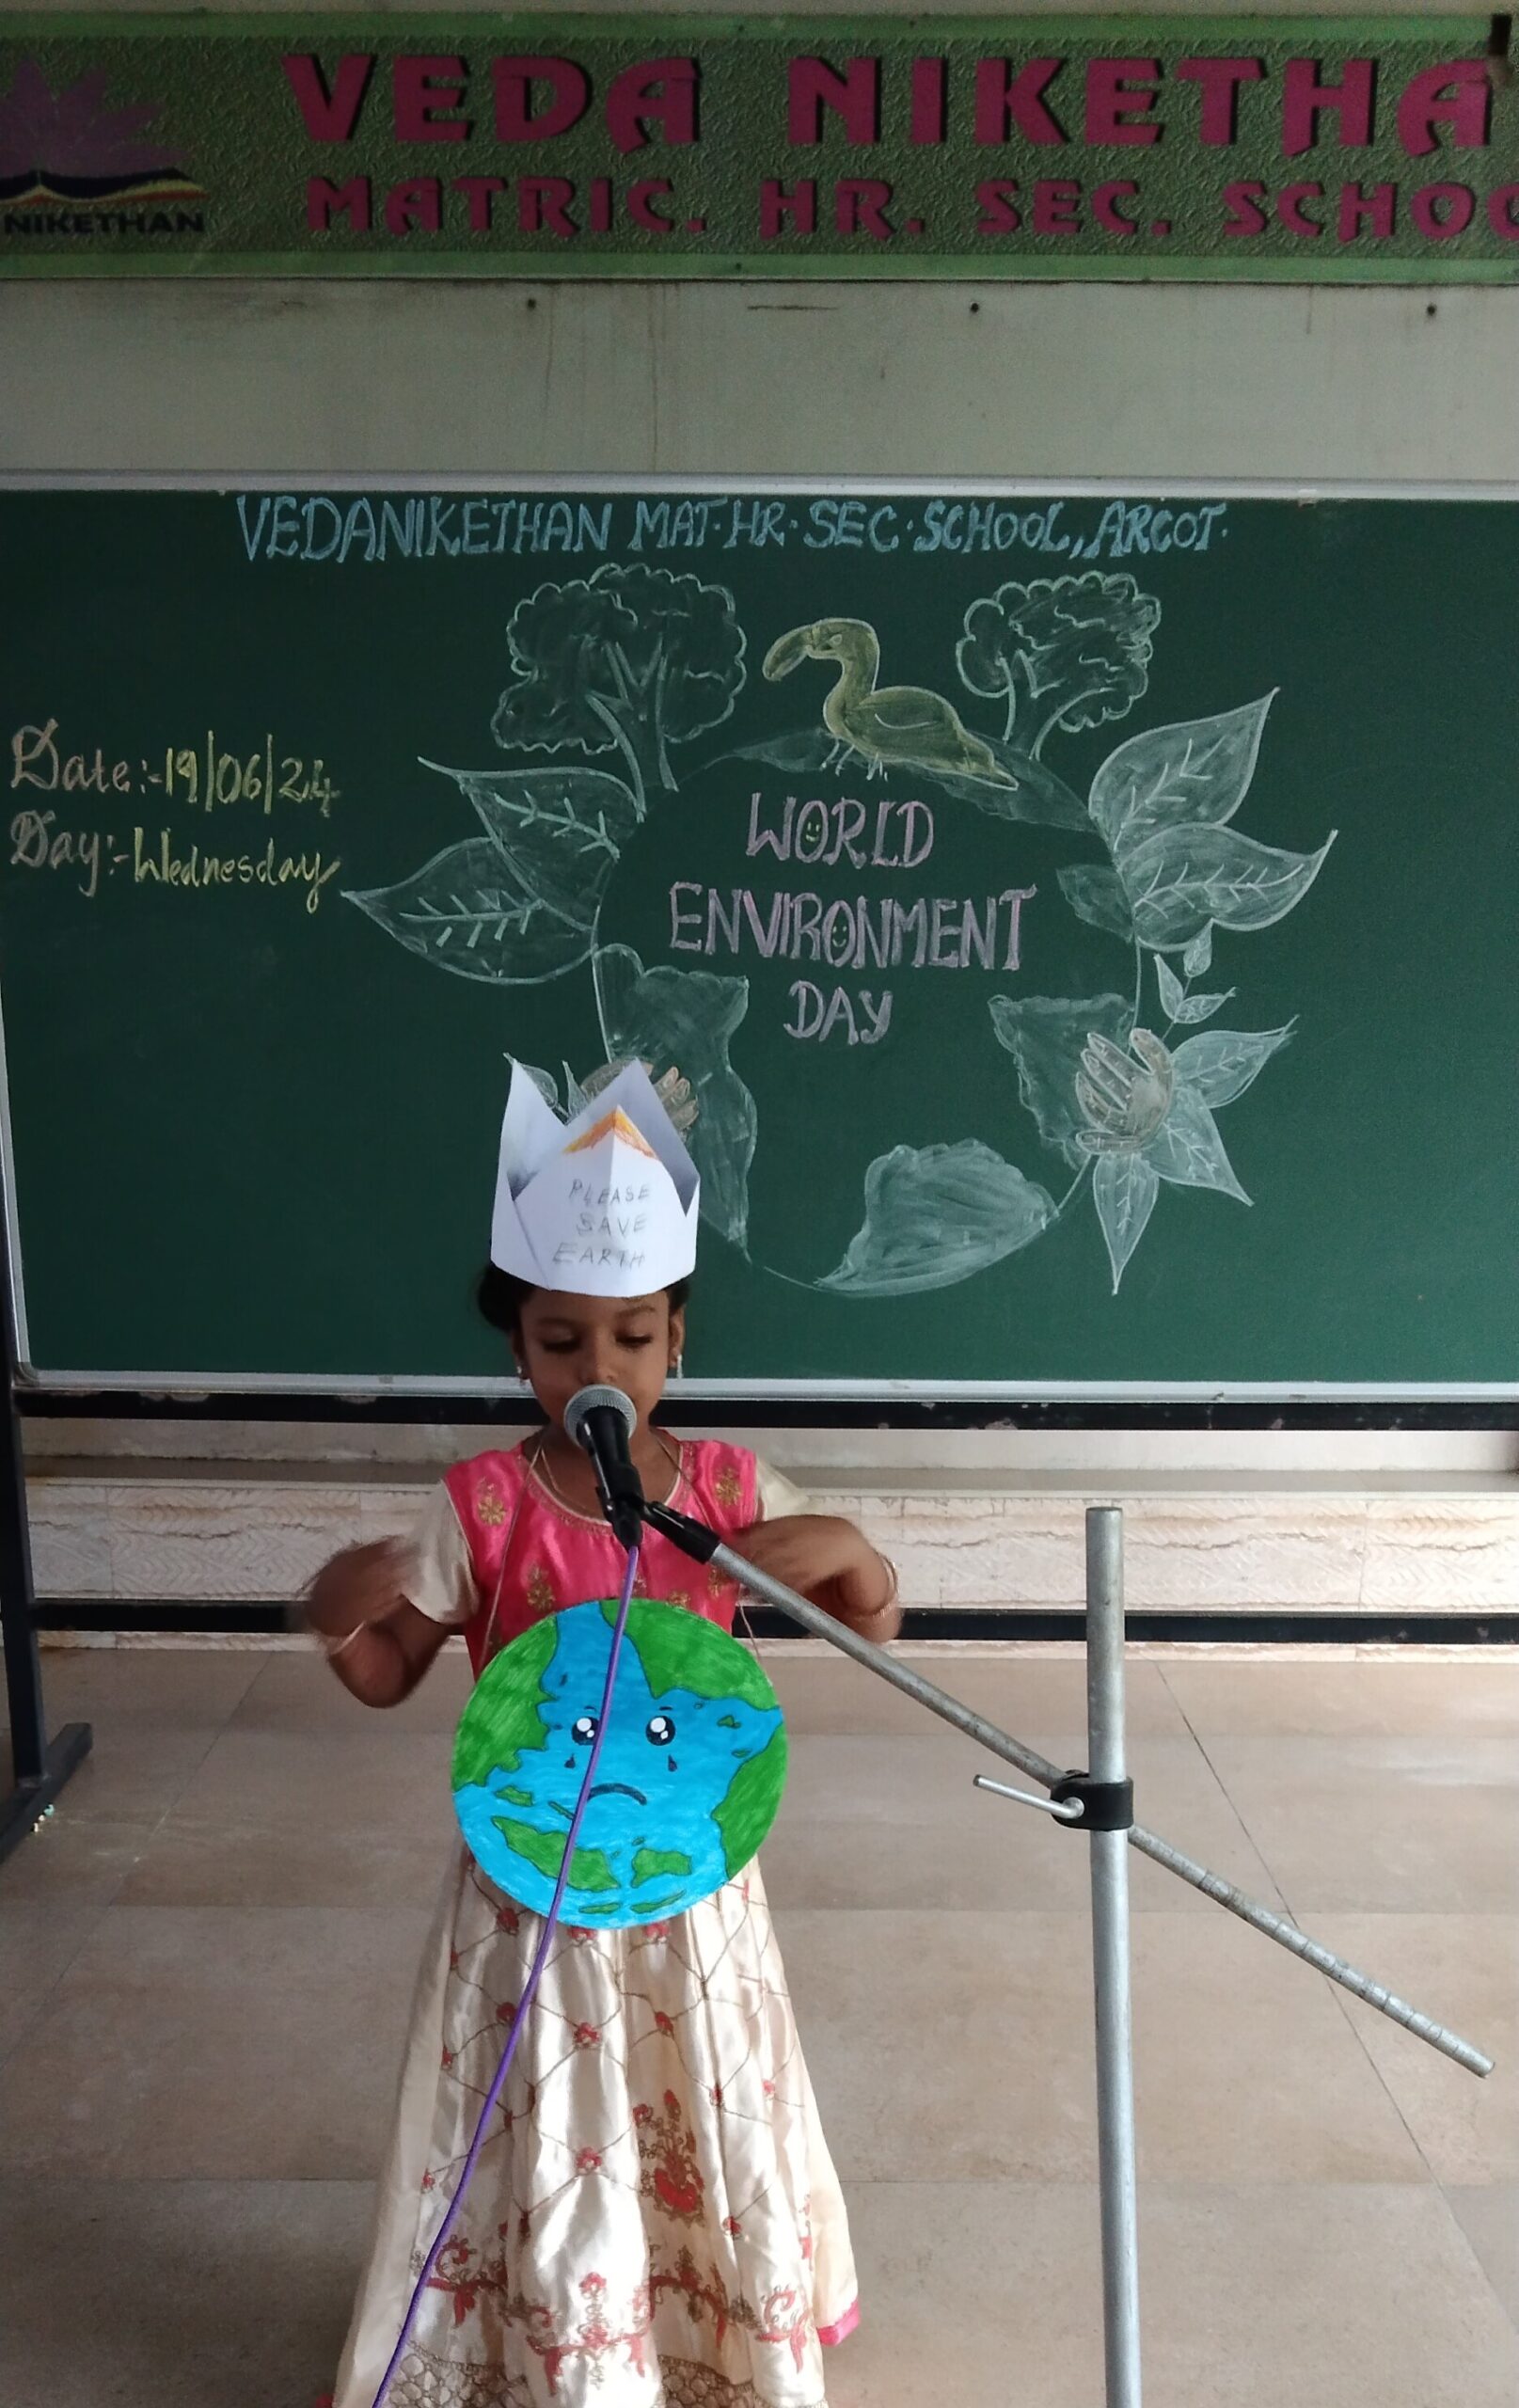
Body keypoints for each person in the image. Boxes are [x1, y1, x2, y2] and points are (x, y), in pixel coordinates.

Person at [305, 1063, 900, 2408]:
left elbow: (874, 1621)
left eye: (632, 1338)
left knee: (698, 2083)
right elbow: (393, 1672)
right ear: (519, 1351)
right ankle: (562, 2332)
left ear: (676, 1340)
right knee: (551, 2112)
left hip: (691, 1878)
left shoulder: (729, 1491)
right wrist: (341, 1623)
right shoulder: (482, 1504)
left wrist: (853, 1554)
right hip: (534, 1886)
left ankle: (708, 2314)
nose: (600, 1369)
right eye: (562, 1342)